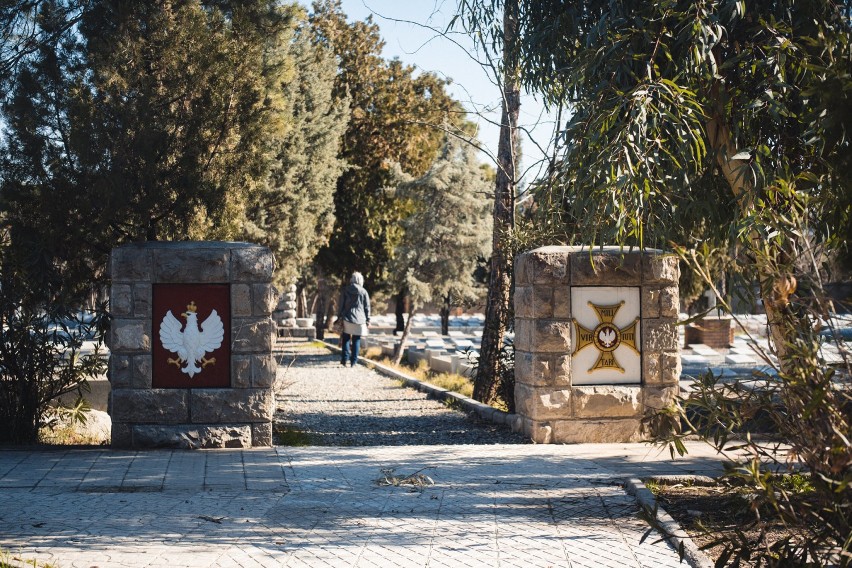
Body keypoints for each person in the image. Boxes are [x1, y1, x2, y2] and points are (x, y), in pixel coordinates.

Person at [336, 271, 371, 367]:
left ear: (352, 279)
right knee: (356, 340)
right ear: (361, 280)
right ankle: (353, 362)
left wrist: (339, 317)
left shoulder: (345, 290)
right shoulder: (364, 292)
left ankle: (344, 360)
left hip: (347, 317)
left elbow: (341, 305)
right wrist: (368, 320)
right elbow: (367, 307)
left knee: (346, 338)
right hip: (360, 319)